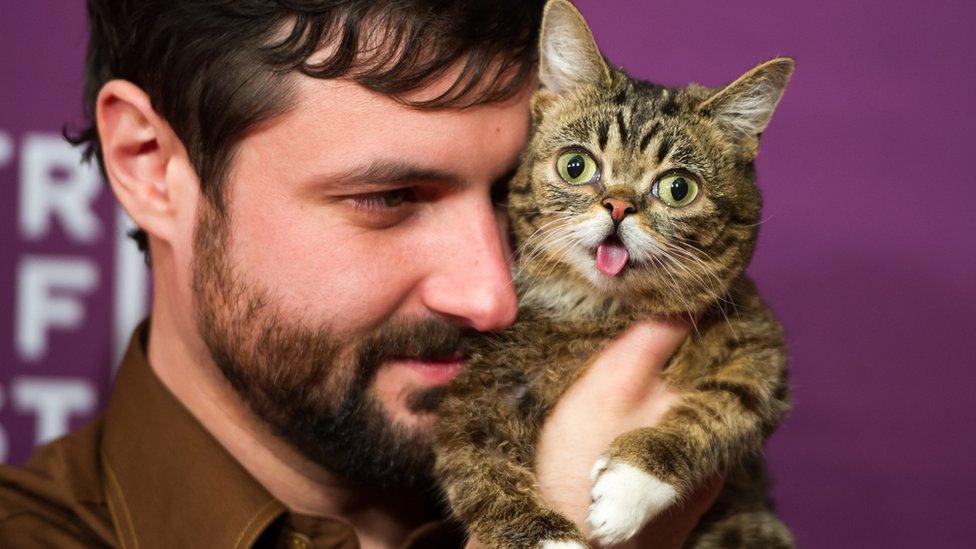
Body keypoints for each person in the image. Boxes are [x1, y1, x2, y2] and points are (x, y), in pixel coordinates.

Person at [0, 1, 722, 547]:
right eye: (389, 198)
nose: (493, 297)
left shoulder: (685, 502)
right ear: (151, 168)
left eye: (513, 191)